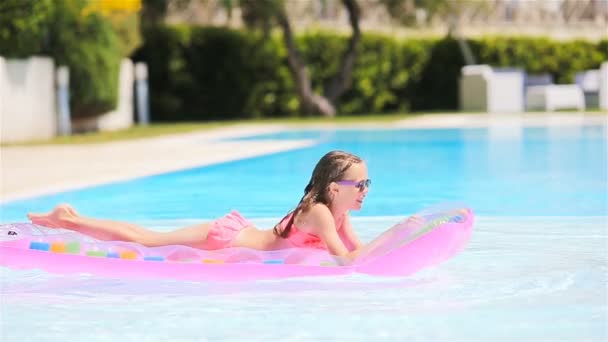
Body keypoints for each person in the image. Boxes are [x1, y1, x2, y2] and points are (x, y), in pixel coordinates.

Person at [28, 150, 370, 261]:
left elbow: (360, 250)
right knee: (146, 241)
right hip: (228, 239)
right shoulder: (322, 213)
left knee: (149, 238)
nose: (365, 191)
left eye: (366, 184)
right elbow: (345, 260)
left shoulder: (338, 214)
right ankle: (69, 219)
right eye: (359, 185)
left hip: (243, 235)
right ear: (333, 188)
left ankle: (71, 217)